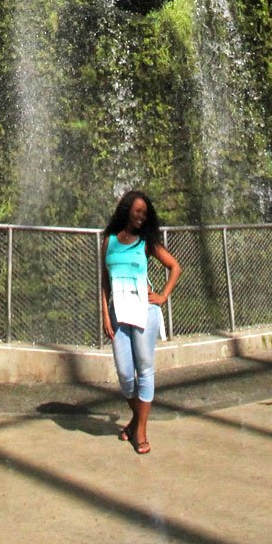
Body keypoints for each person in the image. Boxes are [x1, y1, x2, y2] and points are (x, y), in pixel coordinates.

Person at [100, 188, 181, 455]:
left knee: (144, 370)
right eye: (137, 211)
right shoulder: (109, 240)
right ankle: (136, 420)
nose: (141, 217)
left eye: (145, 213)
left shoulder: (146, 241)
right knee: (125, 374)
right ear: (126, 211)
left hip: (145, 311)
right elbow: (104, 279)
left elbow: (175, 266)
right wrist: (104, 313)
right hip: (119, 313)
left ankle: (141, 430)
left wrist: (163, 296)